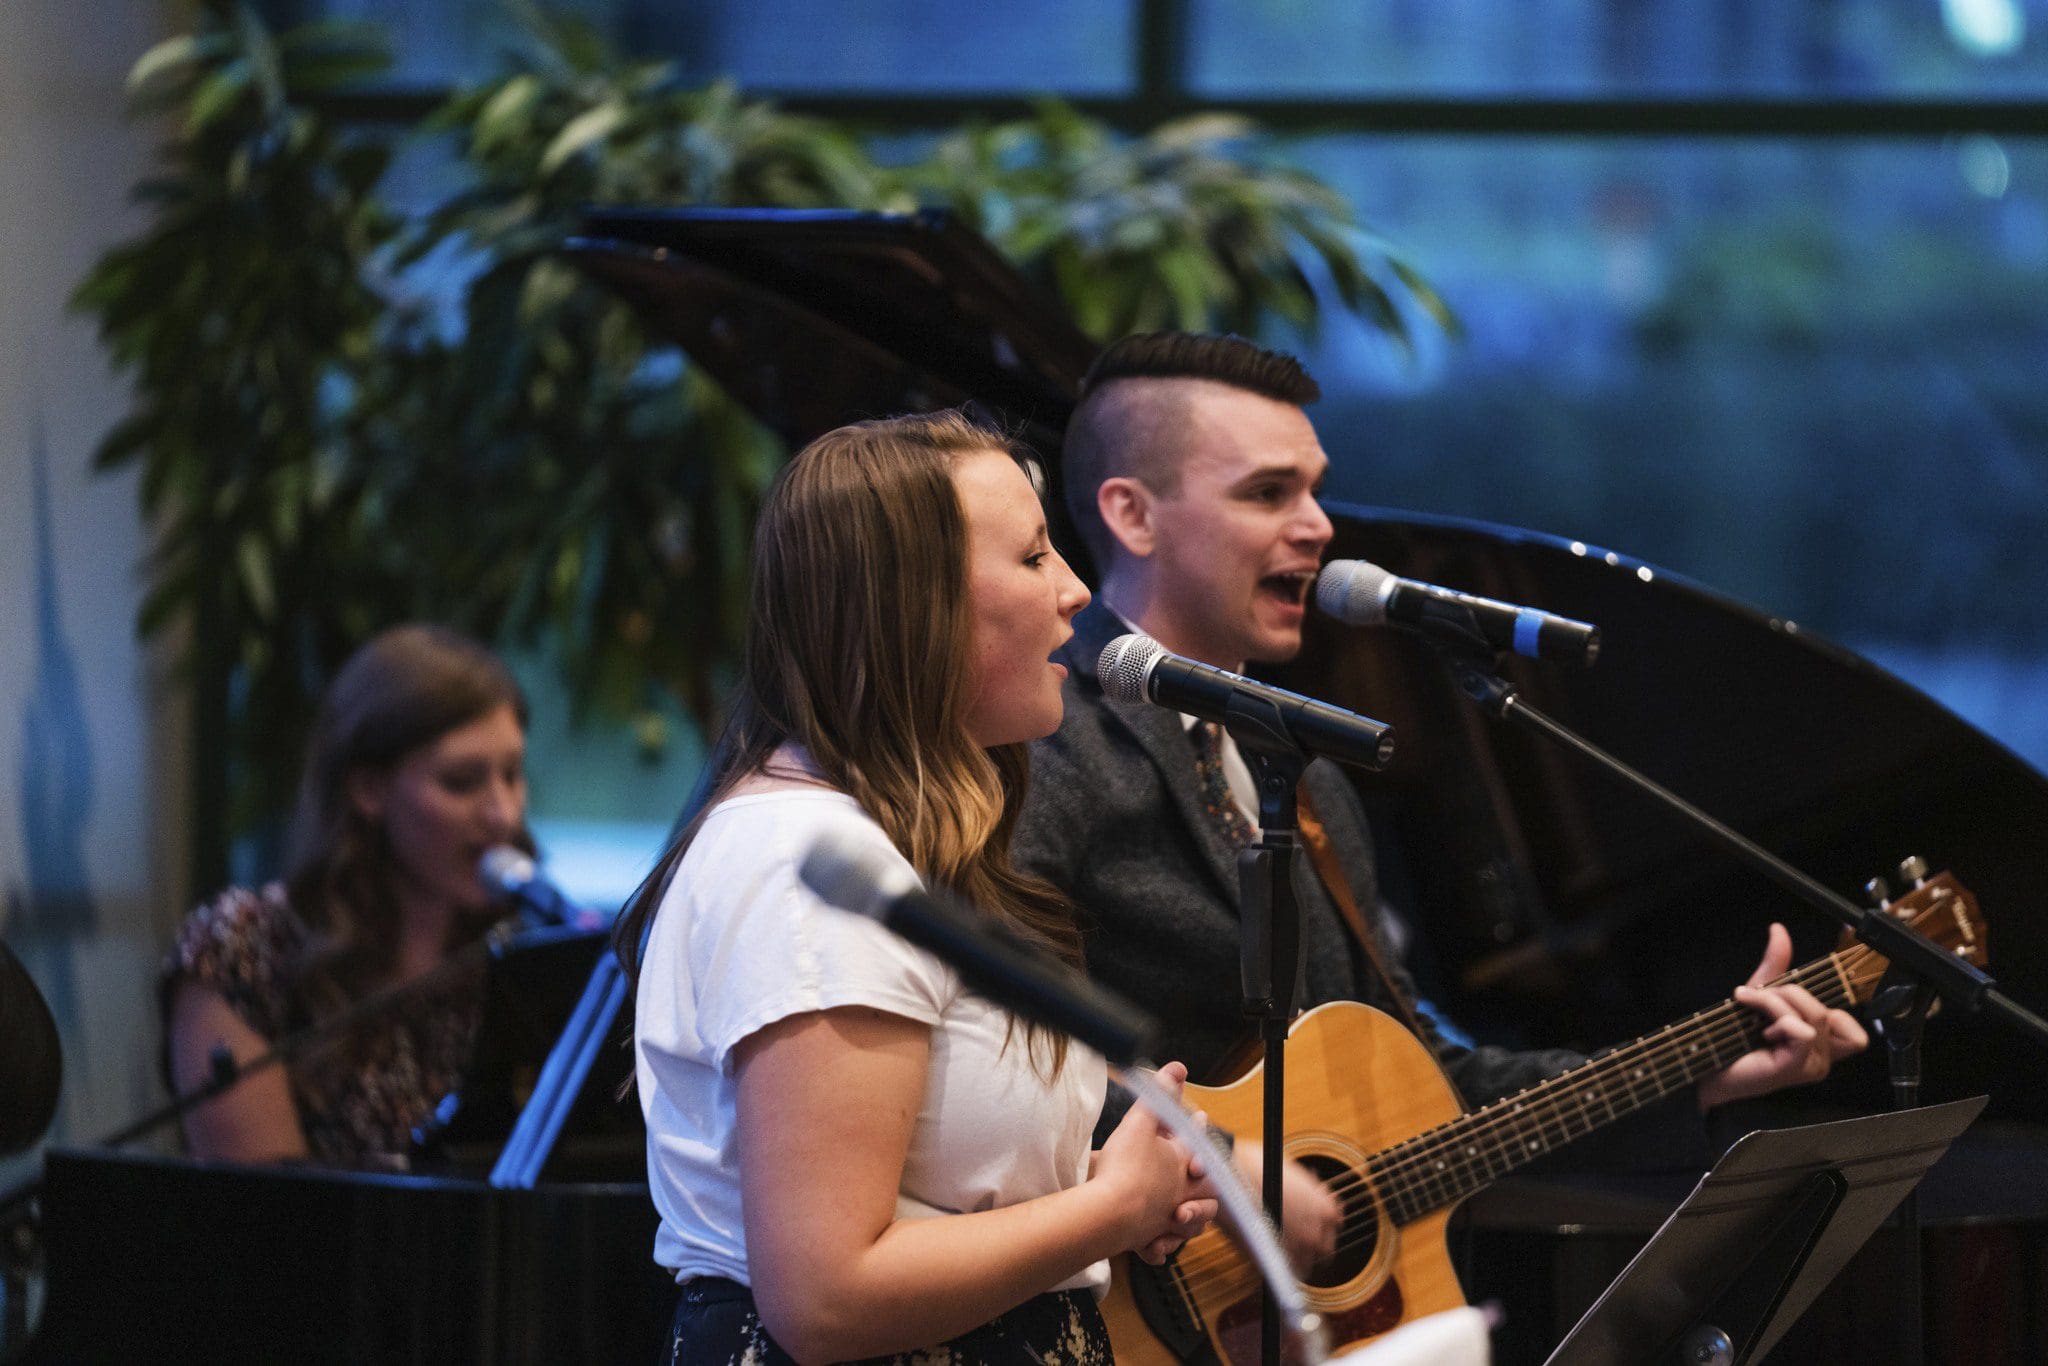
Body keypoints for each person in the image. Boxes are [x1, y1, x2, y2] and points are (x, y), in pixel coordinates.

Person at [1014, 331, 1870, 1265]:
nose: (1319, 526)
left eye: (1314, 487)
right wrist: (1227, 1164)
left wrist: (1706, 1072)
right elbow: (1001, 1043)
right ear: (1133, 517)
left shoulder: (1312, 778)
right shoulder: (1045, 736)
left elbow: (1423, 1077)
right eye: (1268, 492)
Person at [615, 410, 1217, 1366]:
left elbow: (929, 1198)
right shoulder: (805, 866)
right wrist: (1107, 1210)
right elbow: (826, 1296)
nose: (1073, 592)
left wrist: (1107, 1185)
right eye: (1030, 559)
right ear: (910, 608)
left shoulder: (897, 846)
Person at [162, 623, 533, 1166]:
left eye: (513, 774)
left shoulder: (522, 945)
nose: (503, 813)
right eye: (461, 781)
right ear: (368, 790)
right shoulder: (243, 948)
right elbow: (254, 1220)